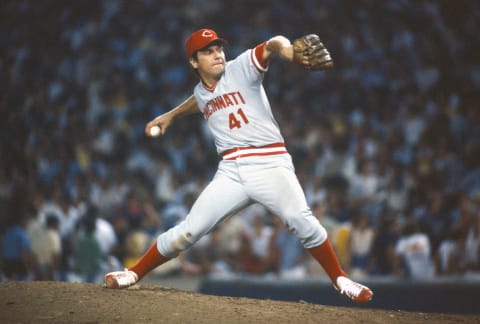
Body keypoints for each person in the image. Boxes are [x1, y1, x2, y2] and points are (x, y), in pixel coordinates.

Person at [104, 28, 373, 303]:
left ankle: (341, 279)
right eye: (207, 51)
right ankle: (134, 273)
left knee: (300, 219)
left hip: (269, 162)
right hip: (231, 170)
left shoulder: (242, 67)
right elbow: (202, 99)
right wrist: (171, 115)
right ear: (193, 62)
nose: (217, 54)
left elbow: (273, 44)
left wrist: (289, 51)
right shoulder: (201, 91)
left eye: (218, 48)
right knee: (188, 230)